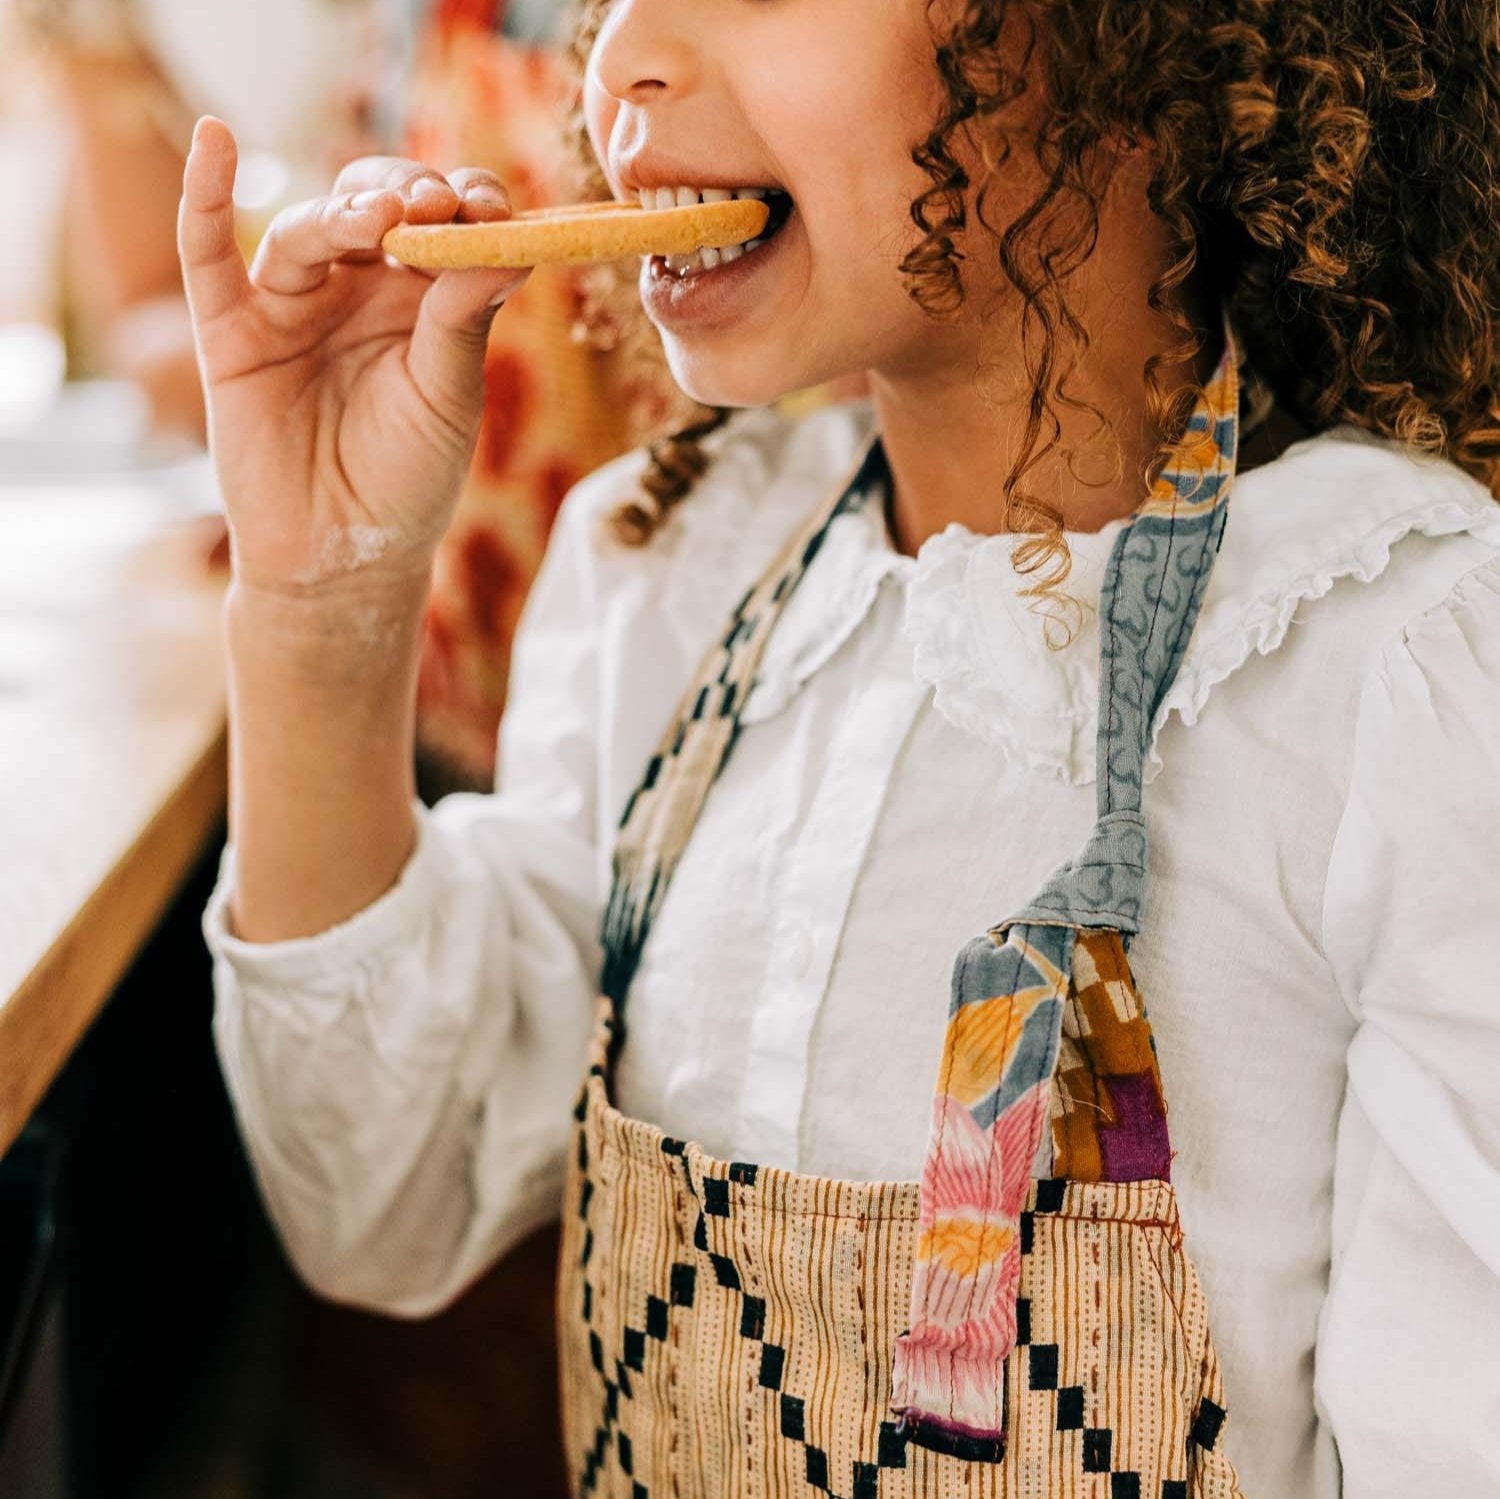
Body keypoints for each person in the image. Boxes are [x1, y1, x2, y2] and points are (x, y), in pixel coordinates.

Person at [183, 0, 1499, 1493]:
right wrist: (321, 603)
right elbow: (380, 1207)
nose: (620, 57)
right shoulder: (663, 571)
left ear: (1139, 40)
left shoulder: (1408, 682)